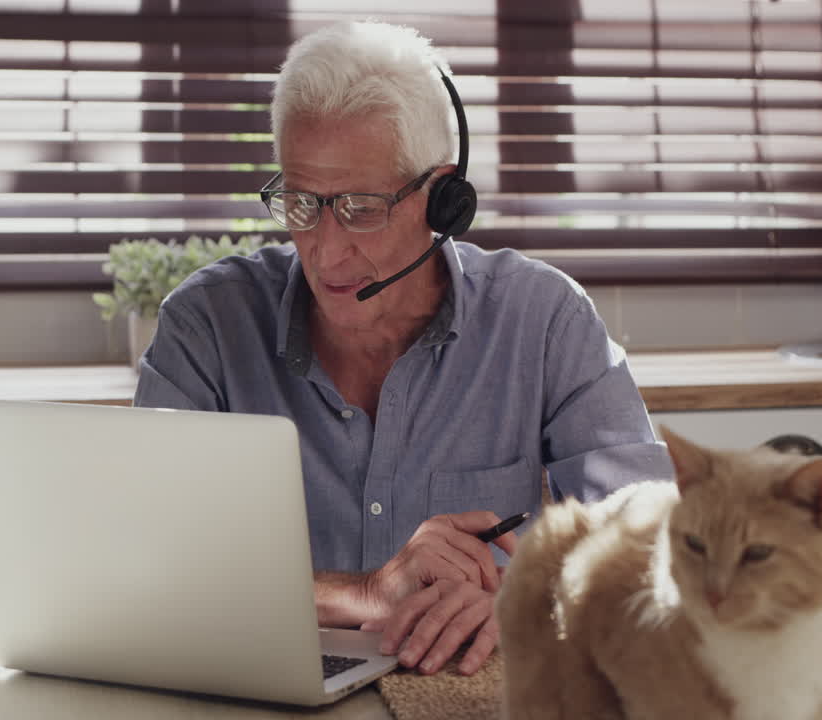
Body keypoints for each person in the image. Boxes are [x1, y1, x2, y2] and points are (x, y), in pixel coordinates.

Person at [134, 20, 672, 676]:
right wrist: (362, 592)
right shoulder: (208, 327)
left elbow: (652, 542)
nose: (326, 251)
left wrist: (527, 602)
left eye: (360, 208)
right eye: (302, 202)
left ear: (442, 198)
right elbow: (152, 571)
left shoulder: (546, 320)